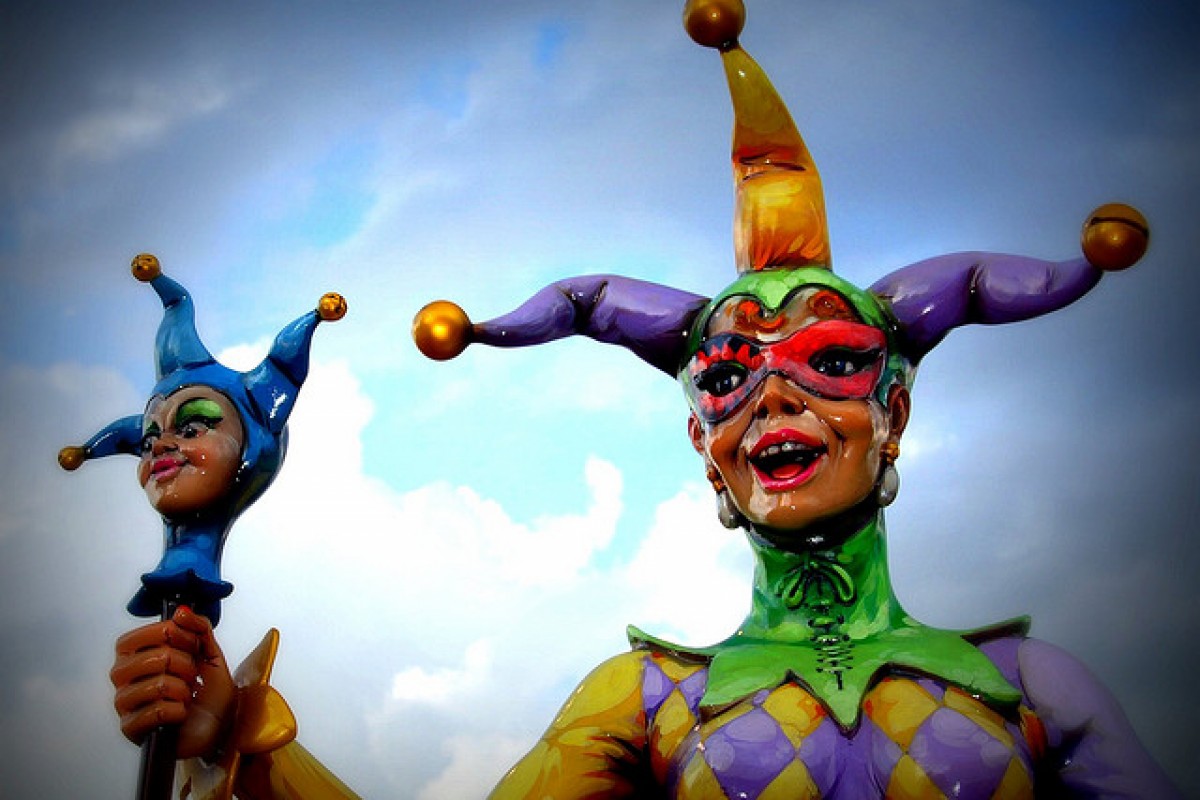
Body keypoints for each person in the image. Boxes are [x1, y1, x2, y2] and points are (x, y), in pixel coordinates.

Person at [107, 1, 1179, 797]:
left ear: (895, 411)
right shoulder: (648, 699)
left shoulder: (1027, 687)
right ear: (701, 441)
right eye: (724, 378)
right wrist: (236, 736)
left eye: (831, 361)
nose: (772, 398)